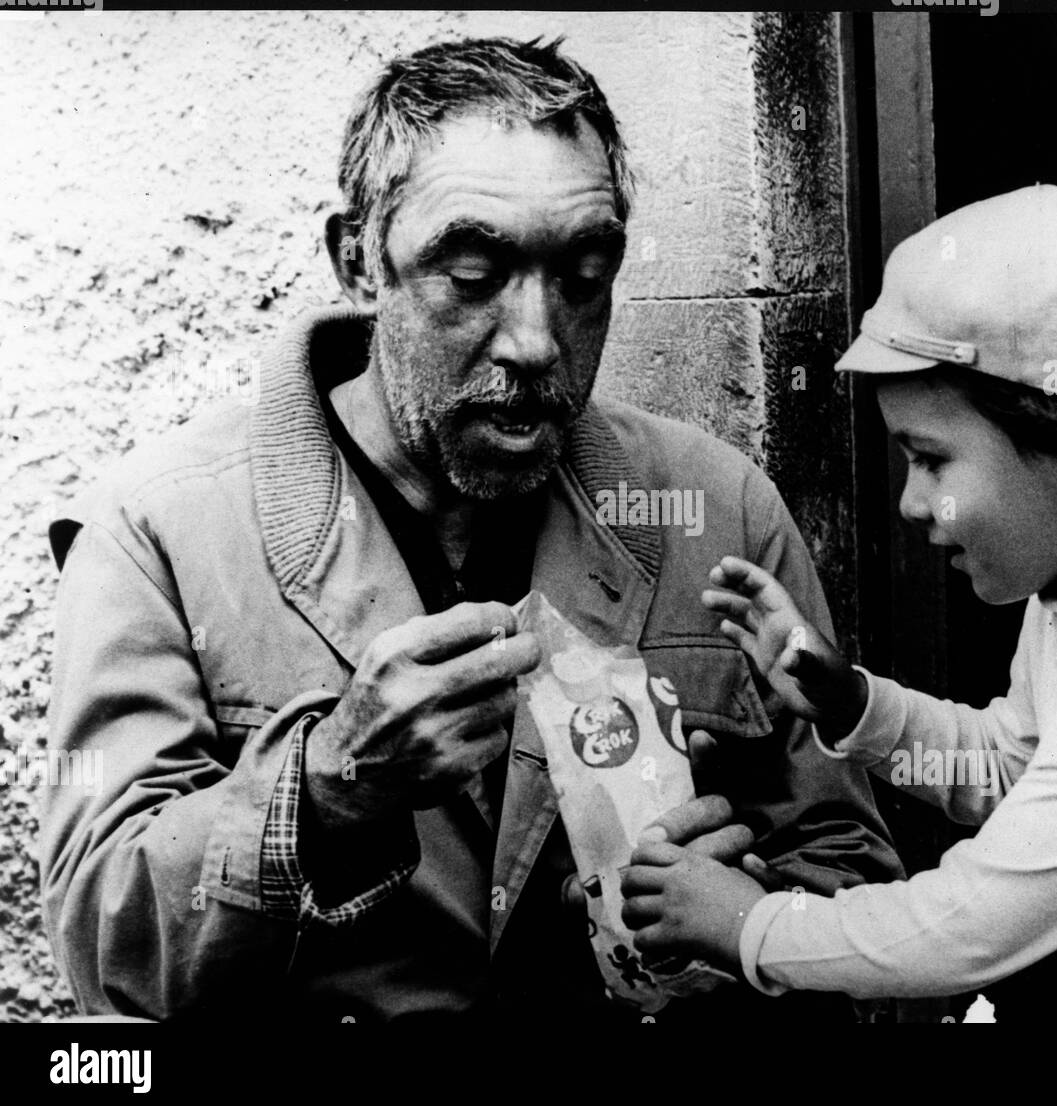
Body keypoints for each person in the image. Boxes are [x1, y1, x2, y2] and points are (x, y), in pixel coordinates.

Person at [39, 35, 902, 1022]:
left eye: (584, 274)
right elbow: (109, 954)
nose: (536, 341)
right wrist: (326, 793)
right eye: (473, 269)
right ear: (357, 262)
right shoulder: (159, 530)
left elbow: (865, 903)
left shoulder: (718, 509)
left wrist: (743, 934)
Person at [621, 185, 1057, 1023]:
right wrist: (854, 701)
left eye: (932, 459)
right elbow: (1014, 774)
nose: (911, 501)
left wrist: (743, 923)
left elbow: (959, 931)